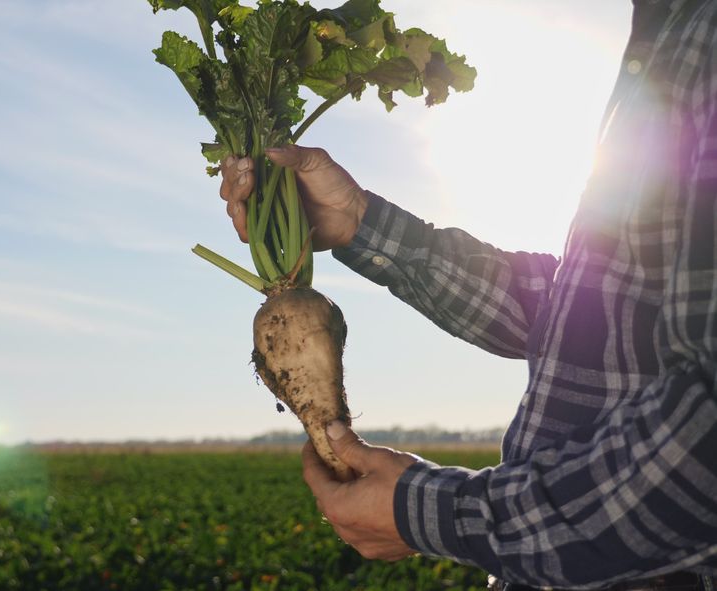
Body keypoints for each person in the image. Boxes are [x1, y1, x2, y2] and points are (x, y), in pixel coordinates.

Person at [218, 1, 717, 590]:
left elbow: (704, 443)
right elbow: (597, 312)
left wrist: (435, 514)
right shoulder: (671, 29)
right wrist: (358, 221)